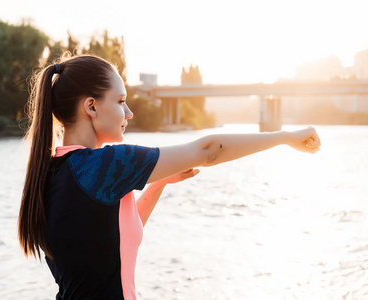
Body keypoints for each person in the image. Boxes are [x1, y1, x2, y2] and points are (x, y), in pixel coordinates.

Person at [18, 54, 321, 300]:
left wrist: (158, 183)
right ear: (91, 106)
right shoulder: (103, 165)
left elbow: (108, 239)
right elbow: (209, 149)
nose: (129, 113)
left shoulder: (51, 171)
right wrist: (284, 136)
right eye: (121, 101)